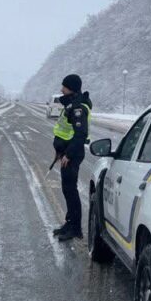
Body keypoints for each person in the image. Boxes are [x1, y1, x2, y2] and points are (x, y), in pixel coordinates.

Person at [51, 74, 91, 241]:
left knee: (71, 191)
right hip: (66, 153)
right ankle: (70, 223)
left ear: (72, 88)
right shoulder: (71, 105)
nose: (62, 89)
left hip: (72, 154)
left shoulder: (78, 108)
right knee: (67, 190)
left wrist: (68, 154)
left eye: (64, 87)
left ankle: (75, 228)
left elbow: (80, 134)